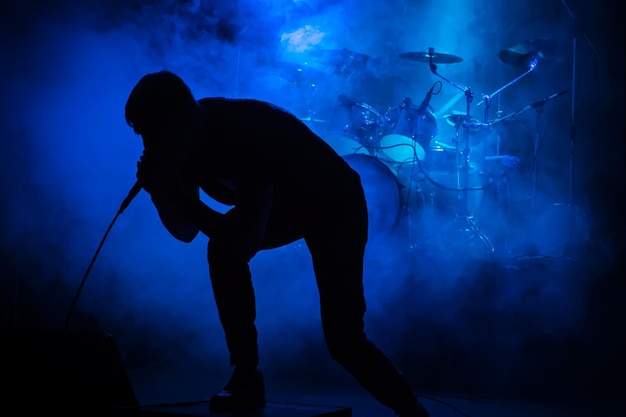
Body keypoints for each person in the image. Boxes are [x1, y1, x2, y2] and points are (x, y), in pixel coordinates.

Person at [124, 70, 430, 417]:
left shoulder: (242, 135)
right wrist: (160, 191)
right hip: (289, 206)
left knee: (344, 339)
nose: (148, 146)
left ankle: (413, 410)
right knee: (219, 249)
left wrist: (178, 192)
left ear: (176, 122)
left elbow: (243, 242)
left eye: (150, 133)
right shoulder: (180, 147)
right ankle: (246, 374)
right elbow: (185, 230)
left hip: (335, 202)